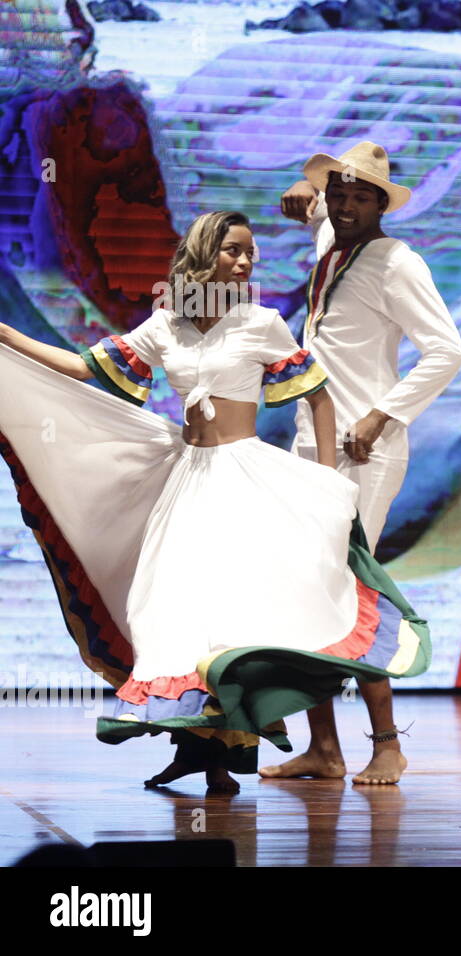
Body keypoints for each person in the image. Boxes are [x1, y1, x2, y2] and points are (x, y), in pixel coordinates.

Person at [0, 211, 431, 793]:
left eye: (251, 253)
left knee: (303, 605)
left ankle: (381, 747)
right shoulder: (166, 326)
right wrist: (5, 335)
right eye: (235, 250)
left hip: (249, 478)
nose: (247, 261)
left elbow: (319, 395)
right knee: (183, 616)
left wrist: (328, 481)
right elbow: (84, 368)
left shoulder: (260, 322)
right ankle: (212, 753)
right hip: (191, 482)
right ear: (205, 254)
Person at [259, 141, 461, 786]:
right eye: (338, 192)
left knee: (351, 592)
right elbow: (314, 209)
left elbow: (447, 351)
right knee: (309, 595)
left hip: (364, 451)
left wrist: (382, 415)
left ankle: (387, 745)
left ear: (382, 204)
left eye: (360, 195)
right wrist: (307, 196)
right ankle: (324, 748)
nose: (345, 204)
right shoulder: (333, 243)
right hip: (311, 445)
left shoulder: (397, 262)